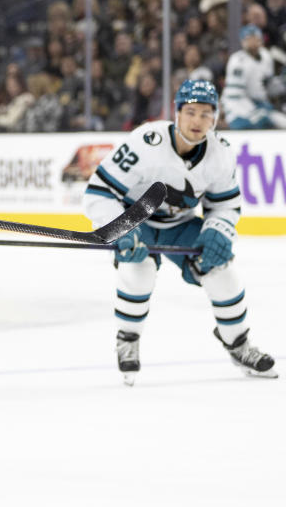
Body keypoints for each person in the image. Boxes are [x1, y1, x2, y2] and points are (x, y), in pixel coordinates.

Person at [84, 79, 276, 386]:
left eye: (205, 113)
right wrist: (120, 230)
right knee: (139, 270)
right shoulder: (145, 142)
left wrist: (217, 232)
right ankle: (128, 338)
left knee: (222, 273)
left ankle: (239, 344)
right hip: (136, 221)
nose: (197, 121)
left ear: (215, 117)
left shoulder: (220, 153)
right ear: (176, 112)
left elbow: (225, 207)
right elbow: (99, 191)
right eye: (190, 112)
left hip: (180, 226)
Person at [220, 24, 286, 129]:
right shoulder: (238, 61)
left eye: (255, 38)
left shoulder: (266, 56)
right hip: (237, 107)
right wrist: (255, 111)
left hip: (259, 103)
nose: (253, 42)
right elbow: (234, 96)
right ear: (242, 41)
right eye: (249, 39)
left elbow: (268, 84)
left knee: (281, 122)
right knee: (259, 122)